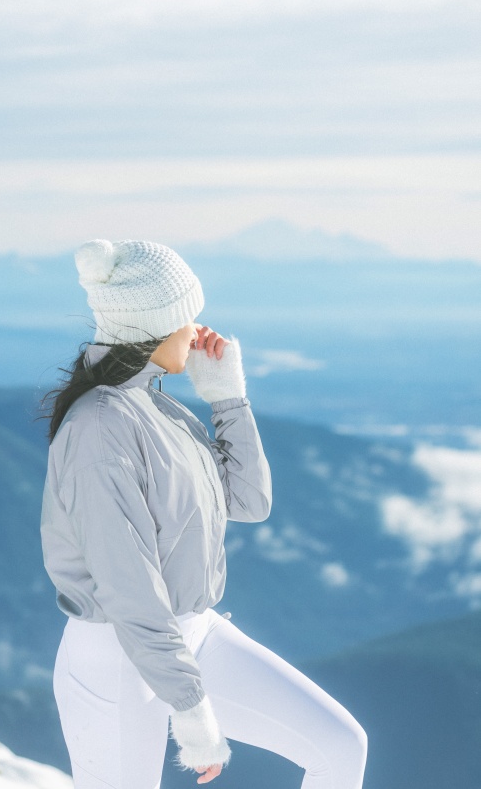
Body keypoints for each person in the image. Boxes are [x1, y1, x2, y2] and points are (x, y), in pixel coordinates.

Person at [39, 238, 367, 789]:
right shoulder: (99, 427)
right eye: (188, 318)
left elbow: (248, 501)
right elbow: (127, 583)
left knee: (339, 745)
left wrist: (226, 396)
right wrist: (190, 706)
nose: (197, 331)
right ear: (156, 324)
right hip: (119, 654)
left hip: (193, 632)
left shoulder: (159, 407)